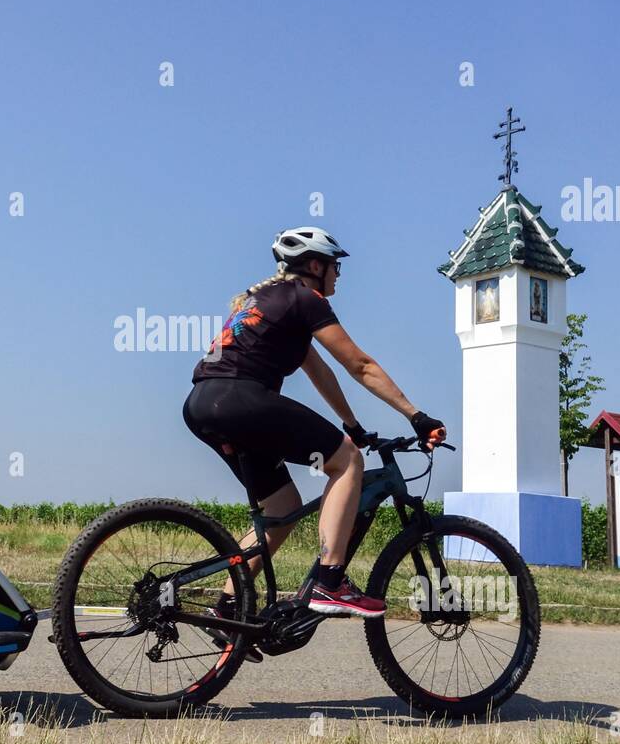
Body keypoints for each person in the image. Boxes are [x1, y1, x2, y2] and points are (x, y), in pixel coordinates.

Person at [183, 227, 446, 647]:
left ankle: (227, 611)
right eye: (335, 266)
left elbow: (319, 370)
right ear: (315, 266)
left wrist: (352, 425)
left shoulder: (270, 303)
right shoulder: (306, 299)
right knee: (348, 463)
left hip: (203, 404)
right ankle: (330, 579)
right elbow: (359, 365)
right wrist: (416, 415)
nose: (339, 274)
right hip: (240, 399)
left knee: (281, 507)